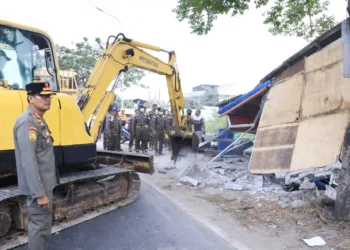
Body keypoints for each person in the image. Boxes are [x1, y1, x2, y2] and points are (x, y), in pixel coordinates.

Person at [13, 82, 59, 250]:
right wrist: (39, 193)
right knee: (39, 227)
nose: (48, 99)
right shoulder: (27, 122)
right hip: (38, 187)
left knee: (44, 225)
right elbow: (28, 161)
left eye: (49, 96)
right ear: (31, 98)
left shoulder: (38, 120)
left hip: (44, 183)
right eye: (43, 96)